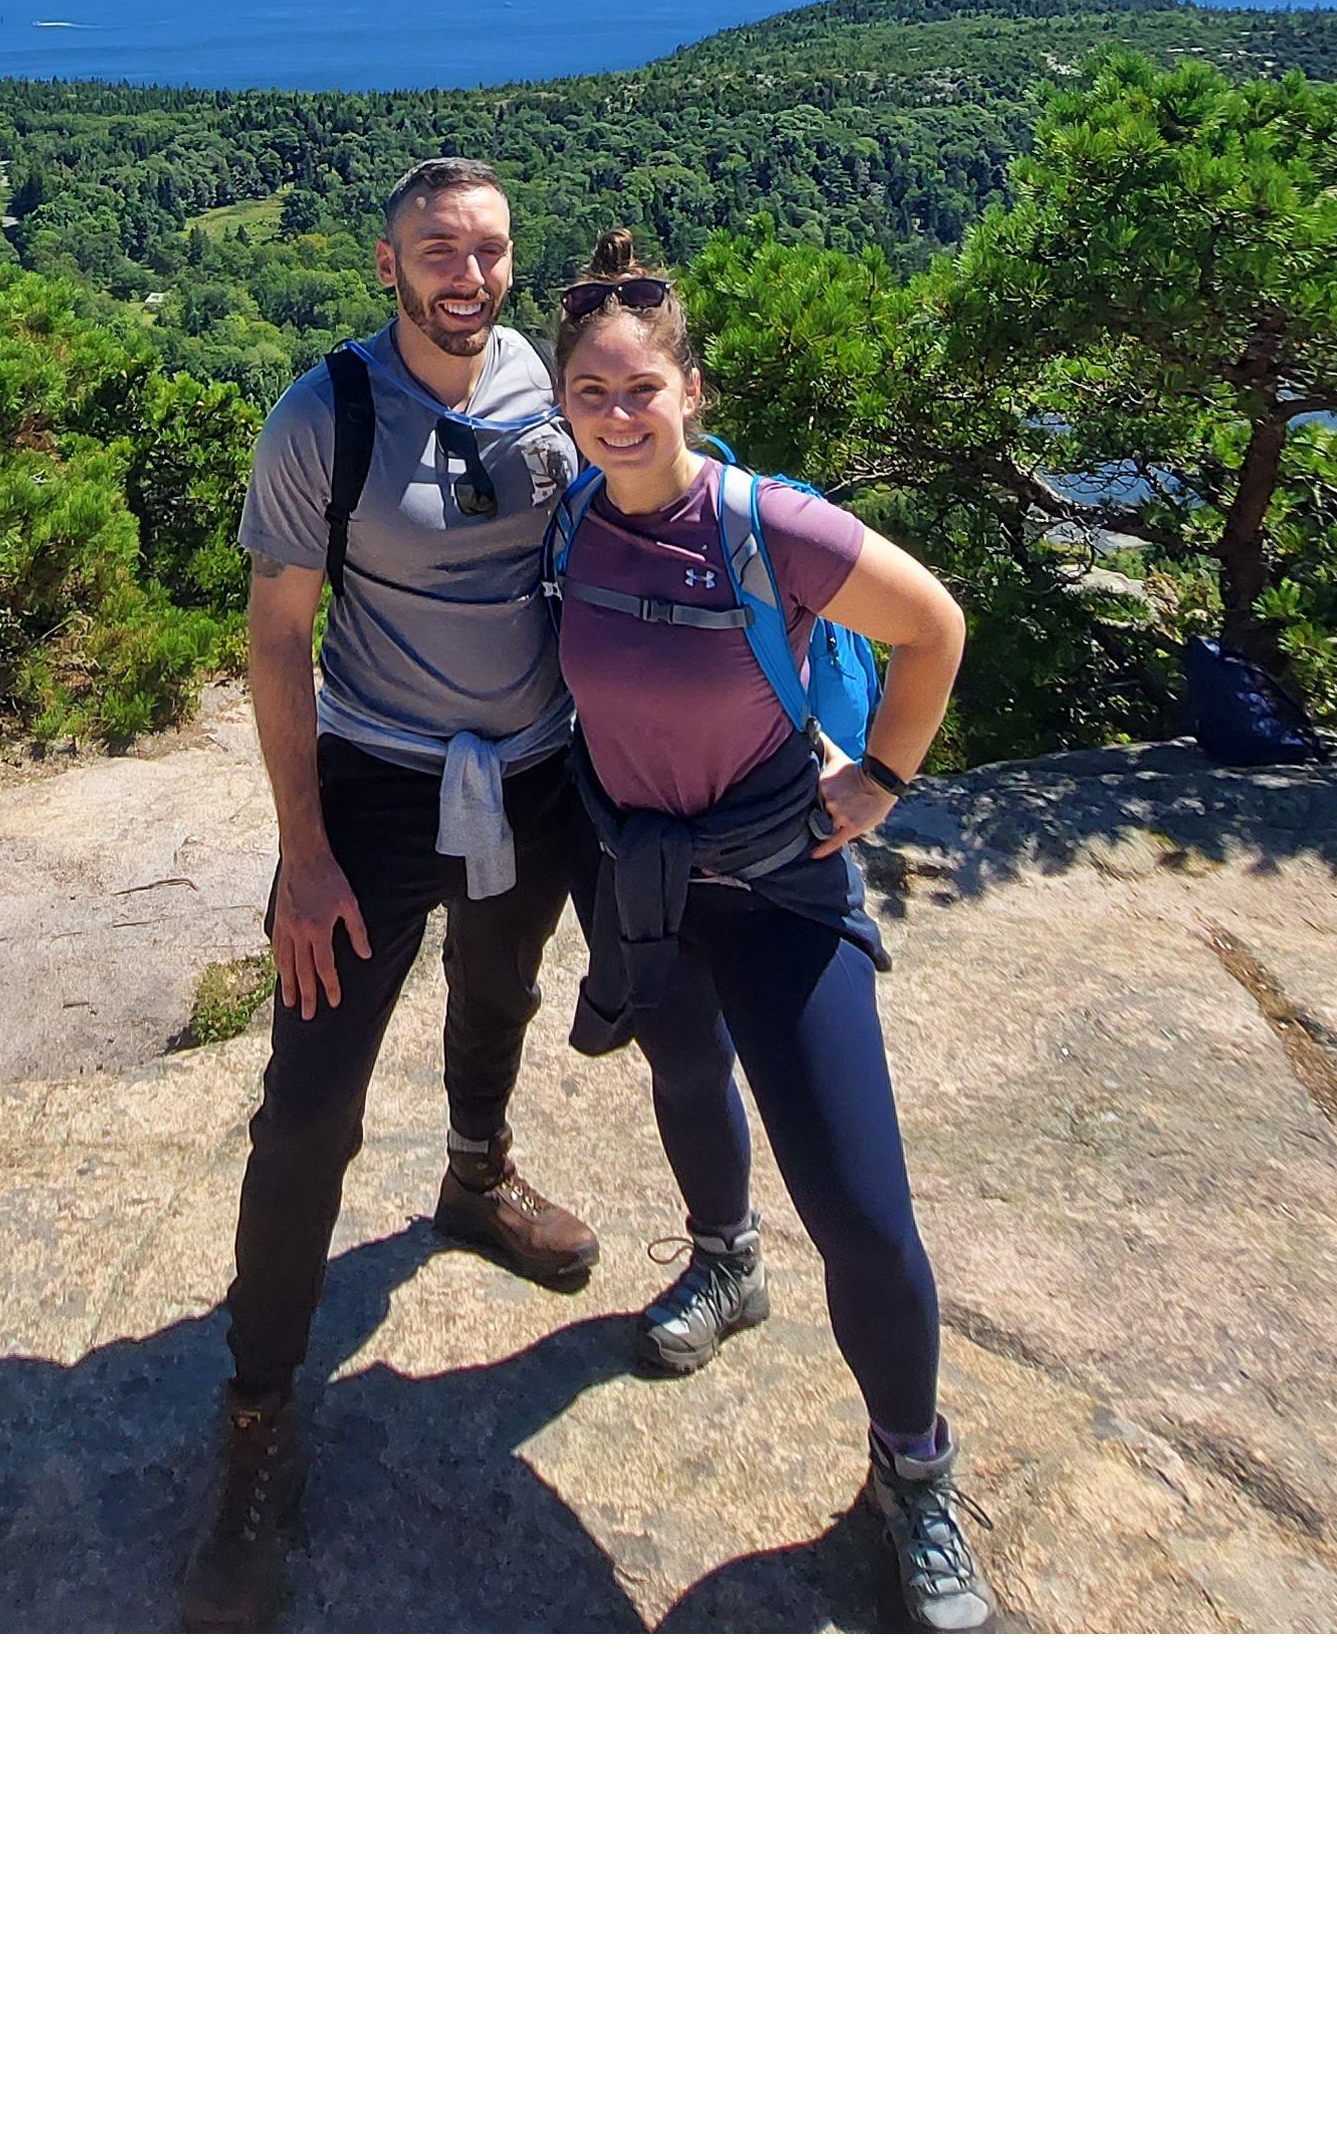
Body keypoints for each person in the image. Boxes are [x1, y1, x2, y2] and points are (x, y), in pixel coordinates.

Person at [543, 231, 994, 1633]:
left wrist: (880, 784)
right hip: (643, 875)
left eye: (642, 390)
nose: (618, 416)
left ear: (690, 389)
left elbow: (934, 627)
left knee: (862, 1215)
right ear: (563, 405)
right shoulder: (567, 517)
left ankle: (914, 1470)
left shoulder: (762, 524)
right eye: (591, 395)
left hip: (779, 885)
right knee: (683, 1077)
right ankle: (726, 1263)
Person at [179, 154, 601, 1632]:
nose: (466, 274)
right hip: (373, 784)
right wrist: (302, 852)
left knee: (502, 992)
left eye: (487, 248)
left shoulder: (546, 379)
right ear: (387, 264)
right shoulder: (330, 414)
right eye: (438, 249)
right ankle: (255, 1410)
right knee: (309, 1108)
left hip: (534, 771)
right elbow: (279, 633)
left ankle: (476, 1178)